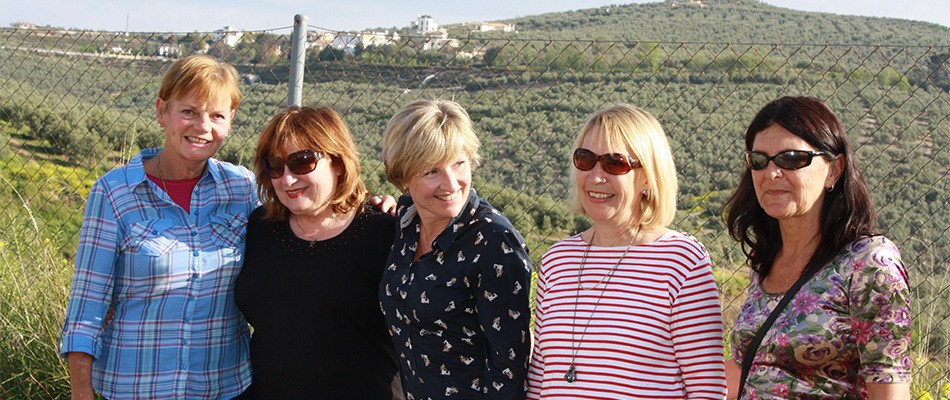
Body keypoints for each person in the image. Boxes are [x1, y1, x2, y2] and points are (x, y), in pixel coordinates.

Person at [59, 55, 256, 399]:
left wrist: (371, 207)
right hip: (135, 387)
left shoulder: (243, 188)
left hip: (223, 388)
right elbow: (86, 308)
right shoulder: (115, 192)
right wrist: (81, 392)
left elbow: (305, 219)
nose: (202, 127)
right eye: (189, 112)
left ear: (231, 121)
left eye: (217, 116)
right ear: (162, 111)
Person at [526, 104, 727, 399]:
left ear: (647, 176)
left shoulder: (681, 260)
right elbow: (540, 378)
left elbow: (706, 388)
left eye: (614, 163)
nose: (595, 177)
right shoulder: (558, 260)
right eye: (585, 159)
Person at [724, 95, 911, 399]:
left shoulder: (869, 263)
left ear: (834, 169)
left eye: (792, 159)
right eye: (759, 160)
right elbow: (751, 369)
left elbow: (890, 389)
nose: (771, 173)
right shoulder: (765, 259)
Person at [234, 106, 402, 399]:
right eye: (275, 165)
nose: (287, 179)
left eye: (302, 162)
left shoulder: (385, 233)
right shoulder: (260, 228)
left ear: (338, 162)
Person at [378, 99, 532, 399]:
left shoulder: (493, 241)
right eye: (431, 171)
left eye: (458, 163)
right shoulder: (406, 221)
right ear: (403, 177)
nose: (451, 183)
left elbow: (509, 366)